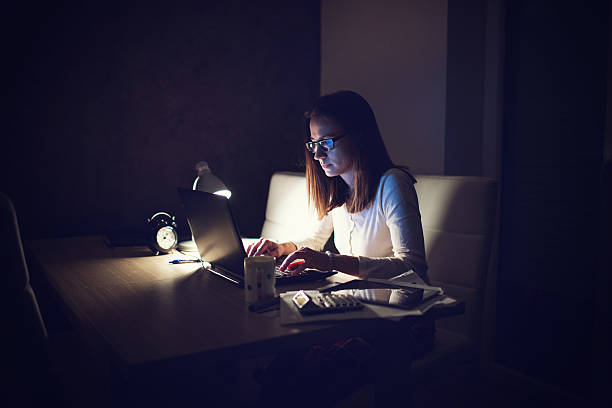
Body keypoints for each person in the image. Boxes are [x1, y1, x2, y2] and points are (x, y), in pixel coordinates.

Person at [248, 90, 433, 406]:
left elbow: (413, 267)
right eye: (314, 144)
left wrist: (330, 261)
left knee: (304, 375)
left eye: (327, 142)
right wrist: (282, 248)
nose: (318, 154)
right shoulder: (341, 190)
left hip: (401, 323)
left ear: (359, 136)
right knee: (283, 363)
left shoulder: (393, 183)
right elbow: (315, 241)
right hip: (360, 313)